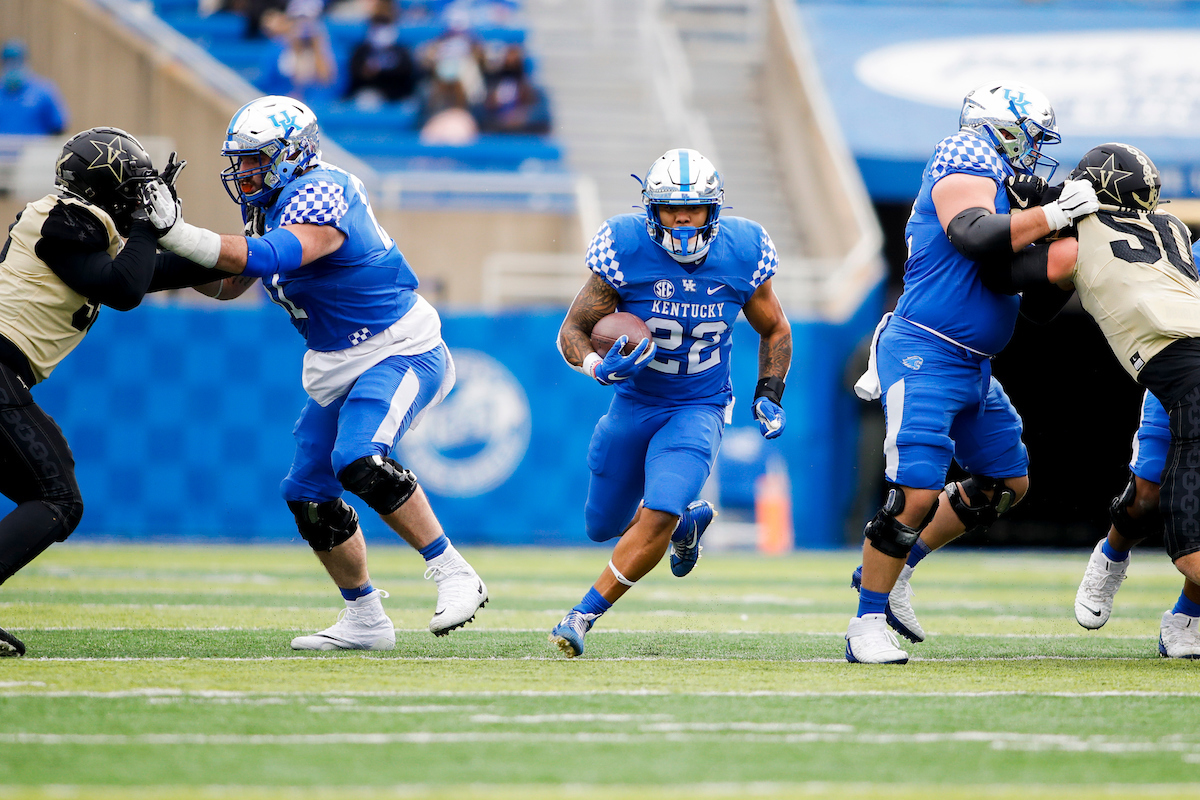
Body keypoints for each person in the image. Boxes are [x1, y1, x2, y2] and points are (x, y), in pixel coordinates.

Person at [148, 95, 488, 650]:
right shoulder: (268, 201)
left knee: (358, 458)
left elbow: (270, 256)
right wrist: (146, 262)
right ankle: (365, 619)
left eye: (257, 159)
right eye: (243, 160)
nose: (246, 171)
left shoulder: (324, 189)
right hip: (336, 363)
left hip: (398, 348)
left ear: (294, 153)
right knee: (308, 491)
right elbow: (229, 283)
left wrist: (179, 233)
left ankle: (453, 572)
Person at [846, 81, 1100, 664]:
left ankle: (897, 572)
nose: (1036, 152)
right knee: (915, 490)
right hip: (925, 351)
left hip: (973, 364)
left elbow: (1030, 298)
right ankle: (864, 622)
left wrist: (1067, 248)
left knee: (1005, 483)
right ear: (1004, 128)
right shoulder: (965, 153)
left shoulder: (1003, 186)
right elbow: (973, 233)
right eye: (1032, 138)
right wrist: (1055, 212)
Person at [548, 148, 792, 658]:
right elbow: (573, 328)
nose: (682, 217)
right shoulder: (624, 243)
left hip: (698, 405)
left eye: (695, 207)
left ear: (714, 209)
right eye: (670, 208)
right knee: (603, 526)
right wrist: (596, 366)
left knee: (656, 510)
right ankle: (686, 521)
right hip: (633, 402)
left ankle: (583, 615)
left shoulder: (744, 249)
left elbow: (775, 328)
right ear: (650, 210)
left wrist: (768, 393)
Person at [0, 127, 229, 656]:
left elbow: (151, 272)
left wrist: (247, 254)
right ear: (107, 189)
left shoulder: (75, 228)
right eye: (136, 191)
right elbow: (125, 289)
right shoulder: (64, 220)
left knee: (46, 494)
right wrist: (151, 227)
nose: (141, 201)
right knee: (56, 498)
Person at [982, 142, 1200, 659]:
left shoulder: (1121, 232)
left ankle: (1187, 618)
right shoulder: (1169, 227)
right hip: (1175, 368)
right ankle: (1111, 555)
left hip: (1179, 360)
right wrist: (1055, 216)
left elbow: (1005, 277)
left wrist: (1040, 214)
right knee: (1146, 494)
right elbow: (1036, 299)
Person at [344, 0, 419, 107]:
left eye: (386, 23)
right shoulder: (361, 50)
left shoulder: (401, 51)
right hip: (370, 94)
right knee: (366, 100)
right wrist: (366, 72)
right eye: (377, 23)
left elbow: (408, 73)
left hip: (398, 95)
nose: (381, 29)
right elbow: (355, 75)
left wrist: (383, 70)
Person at [0, 40, 68, 136]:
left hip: (35, 150)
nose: (12, 65)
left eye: (16, 60)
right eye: (8, 61)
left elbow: (58, 127)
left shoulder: (44, 92)